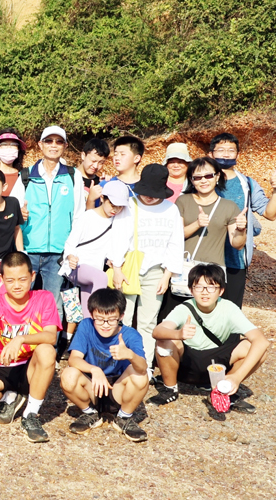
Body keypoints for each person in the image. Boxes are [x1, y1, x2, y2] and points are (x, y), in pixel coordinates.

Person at [0, 252, 60, 443]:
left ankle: (30, 414)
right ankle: (10, 396)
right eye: (11, 280)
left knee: (47, 350)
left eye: (23, 279)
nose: (17, 285)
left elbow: (51, 335)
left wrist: (21, 339)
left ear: (32, 277)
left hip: (28, 367)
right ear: (2, 280)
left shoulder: (43, 298)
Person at [150, 264, 269, 418]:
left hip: (216, 367)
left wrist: (236, 377)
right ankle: (170, 388)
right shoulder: (184, 308)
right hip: (187, 364)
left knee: (256, 349)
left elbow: (262, 341)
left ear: (221, 290)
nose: (205, 292)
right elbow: (157, 331)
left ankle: (224, 389)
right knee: (165, 340)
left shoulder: (229, 309)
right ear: (191, 290)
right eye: (199, 287)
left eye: (211, 287)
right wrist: (178, 333)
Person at [60, 289, 149, 441]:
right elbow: (74, 359)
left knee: (140, 376)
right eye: (99, 319)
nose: (105, 325)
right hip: (92, 387)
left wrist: (130, 355)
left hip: (118, 389)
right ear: (91, 315)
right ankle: (89, 413)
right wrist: (95, 370)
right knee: (68, 375)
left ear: (121, 316)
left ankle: (124, 417)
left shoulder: (131, 335)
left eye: (111, 320)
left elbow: (142, 367)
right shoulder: (86, 326)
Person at [20, 125, 84, 333]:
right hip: (29, 250)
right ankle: (20, 350)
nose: (53, 146)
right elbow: (14, 212)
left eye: (59, 142)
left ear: (65, 146)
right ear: (40, 145)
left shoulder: (73, 176)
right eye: (49, 141)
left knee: (53, 304)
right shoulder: (26, 176)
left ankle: (50, 351)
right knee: (21, 300)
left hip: (58, 252)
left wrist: (70, 250)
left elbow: (78, 216)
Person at [122, 164, 184, 371]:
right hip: (128, 267)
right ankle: (121, 363)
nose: (149, 197)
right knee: (123, 317)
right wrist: (117, 267)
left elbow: (176, 243)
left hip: (156, 270)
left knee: (148, 322)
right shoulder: (129, 204)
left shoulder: (170, 209)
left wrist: (167, 275)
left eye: (154, 193)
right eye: (145, 192)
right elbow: (117, 238)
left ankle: (144, 366)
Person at [209, 132, 276, 307]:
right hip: (204, 256)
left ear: (238, 155)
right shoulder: (201, 181)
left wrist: (275, 190)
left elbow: (269, 214)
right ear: (210, 154)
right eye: (221, 150)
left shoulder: (247, 184)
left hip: (236, 258)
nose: (225, 154)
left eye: (231, 150)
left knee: (231, 310)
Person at [175, 157, 247, 299]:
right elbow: (176, 236)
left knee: (208, 318)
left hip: (213, 273)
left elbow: (237, 244)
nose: (203, 181)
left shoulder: (229, 206)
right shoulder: (182, 201)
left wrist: (240, 229)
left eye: (208, 176)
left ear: (217, 176)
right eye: (197, 177)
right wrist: (197, 224)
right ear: (191, 180)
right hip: (184, 271)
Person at [61, 180, 132, 316]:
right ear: (102, 198)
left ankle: (90, 328)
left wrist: (110, 260)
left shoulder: (116, 221)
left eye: (120, 206)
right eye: (112, 204)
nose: (115, 209)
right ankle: (100, 314)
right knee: (101, 278)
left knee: (87, 314)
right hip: (78, 266)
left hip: (95, 268)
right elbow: (70, 244)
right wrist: (70, 258)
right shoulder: (88, 216)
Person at [0, 130, 27, 203]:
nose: (9, 148)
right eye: (4, 144)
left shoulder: (24, 176)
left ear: (18, 149)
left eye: (13, 145)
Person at [78, 137, 110, 210]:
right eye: (93, 161)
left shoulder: (100, 183)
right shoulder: (68, 177)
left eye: (101, 163)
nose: (96, 166)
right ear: (83, 155)